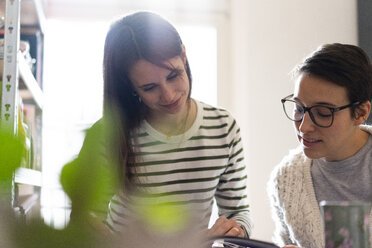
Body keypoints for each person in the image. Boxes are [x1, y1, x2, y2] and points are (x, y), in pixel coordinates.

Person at [80, 11, 252, 238]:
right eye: (149, 88)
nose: (169, 95)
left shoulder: (223, 127)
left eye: (173, 76)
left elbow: (238, 211)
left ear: (183, 54)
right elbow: (86, 216)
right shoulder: (108, 134)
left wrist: (236, 230)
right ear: (131, 86)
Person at [267, 43, 372, 248]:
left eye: (323, 113)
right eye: (299, 108)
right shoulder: (286, 180)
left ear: (360, 113)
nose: (304, 127)